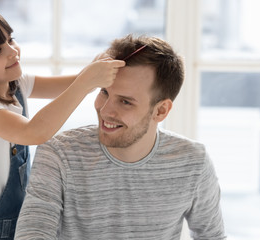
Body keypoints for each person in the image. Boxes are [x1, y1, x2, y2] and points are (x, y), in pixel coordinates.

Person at [0, 6, 125, 240]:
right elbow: (34, 132)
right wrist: (86, 82)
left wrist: (94, 71)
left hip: (16, 226)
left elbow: (70, 85)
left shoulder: (15, 83)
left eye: (10, 40)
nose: (13, 52)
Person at [15, 34, 226, 240]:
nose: (106, 110)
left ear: (161, 111)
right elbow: (33, 233)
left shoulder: (193, 162)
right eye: (104, 92)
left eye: (125, 102)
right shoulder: (58, 154)